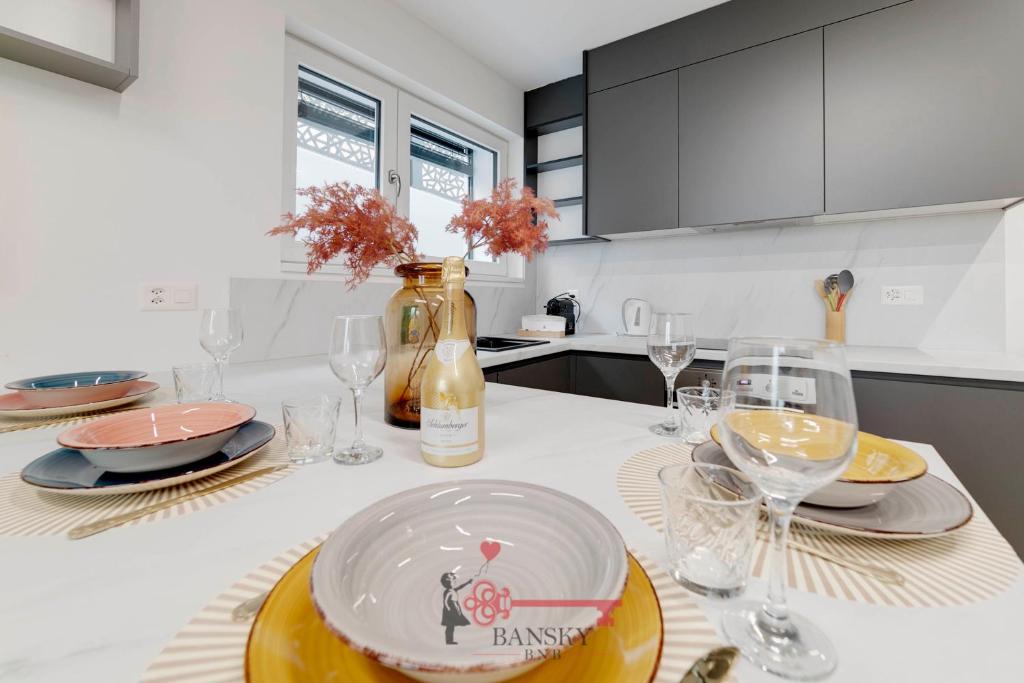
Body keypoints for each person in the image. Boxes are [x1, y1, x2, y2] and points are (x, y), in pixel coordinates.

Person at [440, 572, 473, 645]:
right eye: (453, 580)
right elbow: (446, 601)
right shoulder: (448, 591)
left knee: (451, 627)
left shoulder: (452, 590)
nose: (455, 581)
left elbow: (460, 587)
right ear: (448, 582)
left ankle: (450, 640)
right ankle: (449, 641)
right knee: (450, 627)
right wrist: (448, 609)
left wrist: (468, 582)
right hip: (449, 612)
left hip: (453, 610)